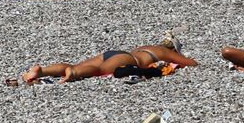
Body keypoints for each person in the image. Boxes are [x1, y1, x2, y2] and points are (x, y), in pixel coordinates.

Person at [21, 44, 197, 85]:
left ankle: (42, 71)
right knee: (98, 70)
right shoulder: (161, 51)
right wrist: (181, 60)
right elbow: (190, 63)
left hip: (114, 53)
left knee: (78, 64)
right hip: (129, 60)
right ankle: (73, 73)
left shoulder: (146, 47)